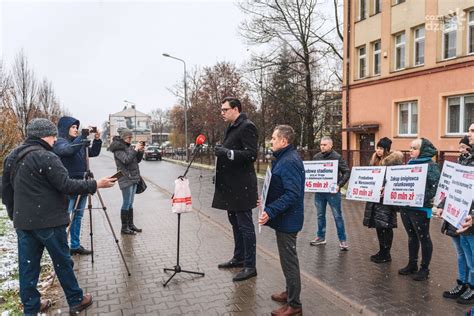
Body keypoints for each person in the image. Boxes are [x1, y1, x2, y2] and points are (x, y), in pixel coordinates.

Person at [1, 118, 116, 315]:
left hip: (24, 223)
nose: (55, 139)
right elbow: (67, 185)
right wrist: (96, 184)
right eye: (53, 135)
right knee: (63, 262)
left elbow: (5, 191)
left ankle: (31, 306)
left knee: (28, 267)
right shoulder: (47, 157)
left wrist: (15, 216)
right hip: (50, 222)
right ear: (44, 135)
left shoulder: (12, 156)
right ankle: (76, 299)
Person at [258, 125, 304, 316]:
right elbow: (279, 187)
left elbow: (292, 194)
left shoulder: (289, 161)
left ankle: (294, 305)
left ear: (284, 141)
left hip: (288, 221)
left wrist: (270, 210)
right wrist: (265, 200)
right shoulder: (284, 158)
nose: (271, 141)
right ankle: (289, 292)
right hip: (285, 219)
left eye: (274, 138)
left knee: (289, 262)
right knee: (287, 261)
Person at [212, 96, 258, 282]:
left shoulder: (247, 126)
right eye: (222, 110)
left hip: (242, 187)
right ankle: (239, 257)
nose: (222, 113)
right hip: (231, 186)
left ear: (236, 109)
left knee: (245, 227)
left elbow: (251, 155)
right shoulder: (231, 127)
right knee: (235, 224)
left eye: (225, 109)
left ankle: (250, 266)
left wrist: (227, 153)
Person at [53, 116, 102, 255]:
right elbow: (68, 150)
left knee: (78, 216)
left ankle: (75, 245)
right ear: (64, 128)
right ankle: (62, 248)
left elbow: (93, 152)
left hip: (82, 184)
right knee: (65, 217)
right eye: (72, 127)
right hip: (69, 186)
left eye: (76, 127)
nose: (75, 130)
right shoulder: (60, 142)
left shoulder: (77, 143)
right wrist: (82, 137)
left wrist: (97, 140)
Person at [439, 131, 474, 304]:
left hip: (469, 218)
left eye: (473, 131)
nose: (469, 134)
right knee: (462, 254)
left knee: (472, 256)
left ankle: (472, 287)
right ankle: (464, 283)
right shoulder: (462, 162)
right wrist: (441, 206)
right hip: (458, 216)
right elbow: (454, 188)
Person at [398, 138, 440, 281]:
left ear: (422, 150)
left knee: (424, 237)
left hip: (420, 209)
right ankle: (412, 264)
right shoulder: (410, 164)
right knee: (412, 236)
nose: (411, 150)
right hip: (406, 207)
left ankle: (424, 268)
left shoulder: (431, 165)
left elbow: (434, 188)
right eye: (410, 148)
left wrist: (418, 198)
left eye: (414, 148)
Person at [363, 137, 404, 263]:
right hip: (375, 199)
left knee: (386, 226)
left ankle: (386, 253)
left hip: (386, 200)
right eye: (378, 148)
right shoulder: (375, 161)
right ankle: (382, 251)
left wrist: (385, 187)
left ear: (387, 149)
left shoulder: (393, 163)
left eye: (381, 148)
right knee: (379, 226)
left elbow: (397, 181)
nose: (378, 151)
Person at [310, 136, 351, 250]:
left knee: (337, 216)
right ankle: (321, 237)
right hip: (320, 192)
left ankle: (342, 240)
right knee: (320, 215)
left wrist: (339, 185)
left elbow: (347, 172)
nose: (322, 147)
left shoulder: (337, 157)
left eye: (325, 145)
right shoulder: (316, 157)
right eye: (321, 145)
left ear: (331, 145)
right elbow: (312, 172)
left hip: (332, 193)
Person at [108, 128, 144, 235]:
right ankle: (124, 228)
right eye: (129, 137)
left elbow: (136, 160)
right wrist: (135, 150)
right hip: (125, 178)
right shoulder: (118, 149)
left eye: (131, 137)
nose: (130, 139)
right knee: (126, 202)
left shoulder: (128, 147)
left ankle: (130, 225)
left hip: (133, 178)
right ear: (123, 137)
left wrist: (140, 152)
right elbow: (126, 160)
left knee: (131, 202)